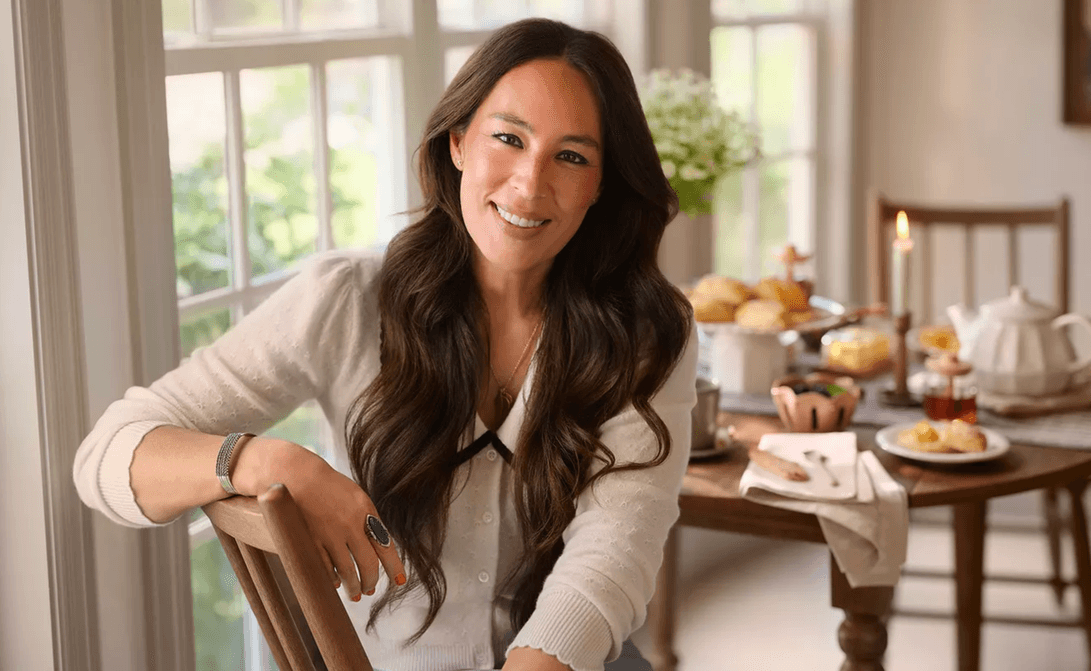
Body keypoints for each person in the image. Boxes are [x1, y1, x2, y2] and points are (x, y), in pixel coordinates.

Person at [73, 17, 697, 671]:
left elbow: (613, 552)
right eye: (508, 138)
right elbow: (106, 455)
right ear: (458, 142)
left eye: (571, 156)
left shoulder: (652, 333)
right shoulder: (344, 301)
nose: (529, 183)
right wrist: (267, 463)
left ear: (600, 182)